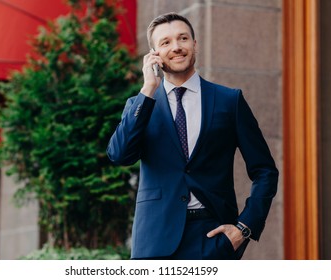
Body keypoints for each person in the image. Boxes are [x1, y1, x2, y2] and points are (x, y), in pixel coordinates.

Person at [107, 12, 278, 260]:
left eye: (183, 38)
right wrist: (147, 89)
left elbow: (265, 170)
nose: (176, 47)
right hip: (154, 241)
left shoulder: (229, 101)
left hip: (213, 238)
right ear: (153, 54)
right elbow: (119, 155)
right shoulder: (140, 104)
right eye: (165, 42)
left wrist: (244, 228)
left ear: (194, 44)